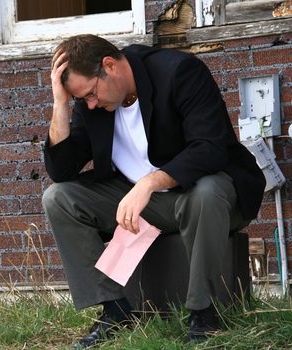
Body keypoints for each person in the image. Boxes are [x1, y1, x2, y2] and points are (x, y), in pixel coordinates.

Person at [42, 34, 265, 348]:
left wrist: (149, 182)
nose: (90, 104)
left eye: (91, 93)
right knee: (59, 198)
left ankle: (203, 312)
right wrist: (61, 103)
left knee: (206, 191)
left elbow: (211, 148)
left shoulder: (179, 72)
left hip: (205, 195)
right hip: (145, 204)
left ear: (109, 65)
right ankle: (114, 309)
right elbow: (62, 170)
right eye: (82, 99)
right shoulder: (91, 104)